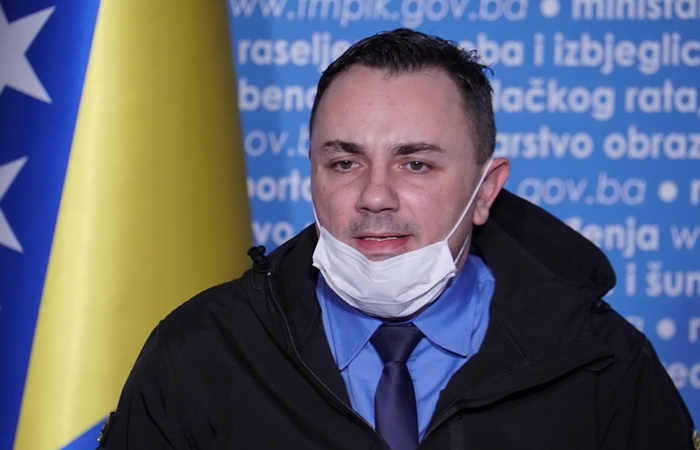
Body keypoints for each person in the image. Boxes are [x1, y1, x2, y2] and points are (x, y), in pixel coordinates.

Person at [99, 28, 697, 449]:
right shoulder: (201, 351)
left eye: (416, 164)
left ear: (485, 191)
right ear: (312, 174)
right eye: (344, 163)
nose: (375, 196)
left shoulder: (600, 365)